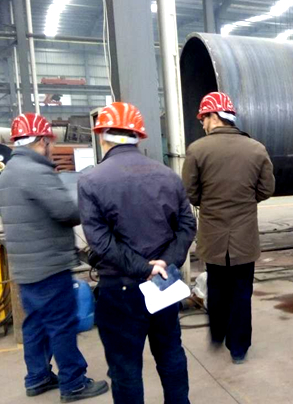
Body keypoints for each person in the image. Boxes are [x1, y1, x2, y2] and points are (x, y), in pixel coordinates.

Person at [78, 102, 196, 403]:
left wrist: (144, 267)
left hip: (120, 288)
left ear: (103, 135)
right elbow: (187, 226)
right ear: (139, 137)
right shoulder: (168, 175)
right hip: (163, 284)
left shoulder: (91, 181)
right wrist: (164, 264)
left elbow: (100, 241)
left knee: (125, 368)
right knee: (170, 354)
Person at [0, 113, 109, 402]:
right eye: (50, 141)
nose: (52, 146)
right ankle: (73, 383)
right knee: (62, 324)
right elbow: (67, 212)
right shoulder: (37, 172)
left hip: (25, 267)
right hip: (49, 266)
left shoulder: (8, 172)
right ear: (42, 140)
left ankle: (37, 377)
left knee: (35, 323)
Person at [182, 92, 275, 364]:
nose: (202, 124)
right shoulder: (256, 149)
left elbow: (189, 192)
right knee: (242, 291)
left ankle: (217, 334)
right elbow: (267, 189)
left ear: (214, 116)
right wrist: (246, 199)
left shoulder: (197, 150)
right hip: (244, 236)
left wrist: (209, 201)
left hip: (212, 235)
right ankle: (239, 348)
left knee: (218, 287)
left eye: (203, 118)